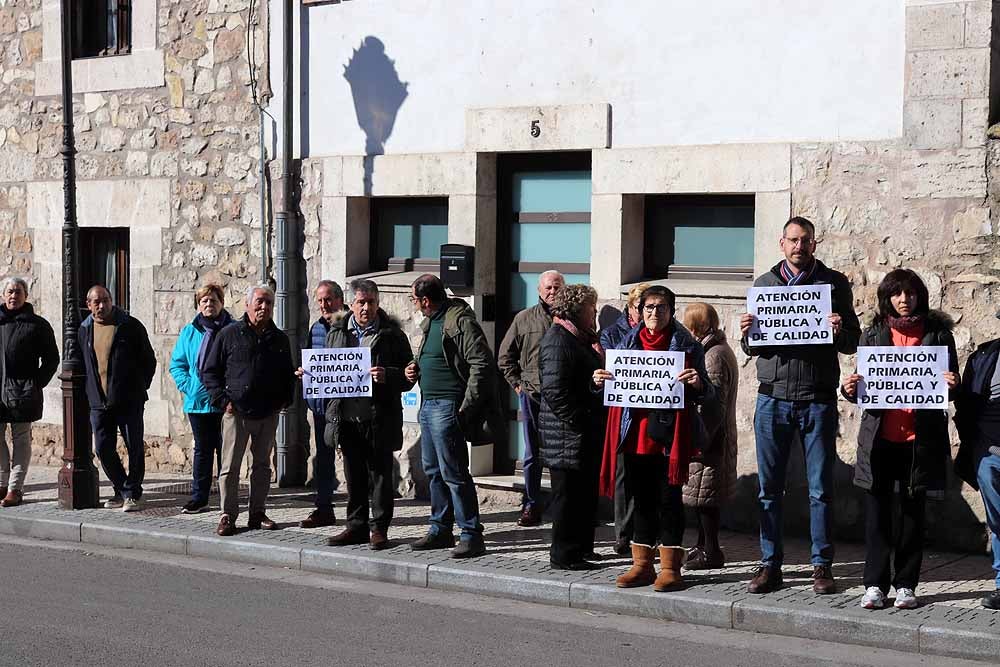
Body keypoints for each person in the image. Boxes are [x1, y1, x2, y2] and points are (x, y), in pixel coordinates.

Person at [739, 216, 860, 595]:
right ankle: (769, 564)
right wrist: (747, 334)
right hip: (772, 397)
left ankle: (822, 566)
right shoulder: (764, 285)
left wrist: (840, 328)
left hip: (817, 399)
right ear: (781, 243)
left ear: (814, 243)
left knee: (820, 489)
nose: (798, 246)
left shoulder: (833, 283)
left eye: (805, 240)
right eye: (792, 240)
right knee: (769, 489)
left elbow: (853, 341)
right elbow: (751, 348)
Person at [841, 269, 958, 610]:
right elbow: (862, 389)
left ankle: (906, 584)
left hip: (919, 440)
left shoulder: (937, 335)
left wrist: (953, 383)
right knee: (877, 514)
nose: (904, 300)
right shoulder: (873, 334)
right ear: (887, 299)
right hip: (880, 439)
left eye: (910, 293)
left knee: (912, 514)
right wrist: (849, 389)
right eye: (896, 294)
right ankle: (875, 584)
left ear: (920, 296)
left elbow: (951, 385)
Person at [596, 286, 713, 591]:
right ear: (640, 309)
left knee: (669, 500)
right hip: (634, 433)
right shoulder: (626, 343)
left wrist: (698, 383)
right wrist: (599, 381)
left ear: (671, 311)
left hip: (669, 437)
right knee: (642, 500)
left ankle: (671, 568)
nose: (653, 313)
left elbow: (708, 392)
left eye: (660, 307)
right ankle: (642, 565)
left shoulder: (687, 346)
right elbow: (612, 385)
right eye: (648, 307)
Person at [297, 279, 414, 550]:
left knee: (381, 476)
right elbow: (327, 368)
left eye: (370, 302)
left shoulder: (392, 335)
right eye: (361, 302)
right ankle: (356, 527)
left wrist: (389, 375)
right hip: (346, 418)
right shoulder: (337, 332)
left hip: (379, 416)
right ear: (351, 304)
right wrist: (309, 374)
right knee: (354, 476)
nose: (365, 308)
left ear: (378, 303)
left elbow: (410, 375)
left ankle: (379, 529)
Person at [404, 274, 503, 558]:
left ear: (425, 300)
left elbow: (481, 363)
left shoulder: (459, 320)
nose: (414, 303)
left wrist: (466, 406)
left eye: (414, 298)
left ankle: (471, 534)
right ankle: (440, 529)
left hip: (448, 406)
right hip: (428, 404)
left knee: (454, 473)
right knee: (434, 471)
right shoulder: (431, 322)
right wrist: (414, 367)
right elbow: (434, 356)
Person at [202, 284, 295, 537]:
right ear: (248, 304)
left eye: (269, 303)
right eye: (259, 302)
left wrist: (284, 400)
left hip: (268, 413)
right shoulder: (229, 334)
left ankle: (257, 513)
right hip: (237, 413)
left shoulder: (280, 339)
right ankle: (227, 515)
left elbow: (289, 374)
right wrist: (223, 401)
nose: (264, 307)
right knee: (229, 467)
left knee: (263, 466)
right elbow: (209, 371)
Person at [538, 284, 606, 570]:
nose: (595, 313)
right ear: (578, 310)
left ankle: (582, 548)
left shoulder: (578, 338)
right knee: (568, 498)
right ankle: (564, 555)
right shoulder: (558, 340)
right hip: (567, 435)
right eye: (592, 308)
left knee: (584, 495)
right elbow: (555, 392)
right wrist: (582, 419)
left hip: (580, 433)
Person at [79, 285, 157, 512]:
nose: (101, 305)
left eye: (105, 300)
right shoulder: (84, 329)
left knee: (134, 446)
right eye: (96, 302)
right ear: (88, 304)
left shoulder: (129, 326)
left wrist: (140, 388)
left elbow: (149, 360)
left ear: (112, 300)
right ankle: (122, 488)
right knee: (103, 447)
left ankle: (133, 493)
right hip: (98, 402)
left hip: (128, 400)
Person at [498, 270, 564, 527]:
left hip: (562, 399)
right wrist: (518, 385)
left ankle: (562, 507)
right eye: (548, 287)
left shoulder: (572, 318)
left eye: (557, 287)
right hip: (533, 396)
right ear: (539, 291)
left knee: (561, 455)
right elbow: (505, 357)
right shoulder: (524, 319)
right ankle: (532, 505)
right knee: (532, 454)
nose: (552, 292)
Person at [681, 302, 739, 570]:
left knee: (705, 498)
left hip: (710, 438)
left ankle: (711, 552)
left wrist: (699, 438)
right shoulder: (717, 348)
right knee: (703, 495)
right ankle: (702, 545)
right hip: (715, 436)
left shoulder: (712, 355)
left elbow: (713, 403)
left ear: (697, 327)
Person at [169, 284, 234, 514]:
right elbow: (177, 364)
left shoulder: (232, 329)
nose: (209, 304)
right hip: (199, 404)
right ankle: (199, 497)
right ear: (198, 305)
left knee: (226, 453)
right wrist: (189, 386)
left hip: (226, 403)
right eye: (204, 301)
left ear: (221, 303)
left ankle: (228, 499)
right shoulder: (190, 331)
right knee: (203, 451)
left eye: (213, 300)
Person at [953, 314, 1000, 609]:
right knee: (997, 522)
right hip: (988, 453)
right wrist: (952, 387)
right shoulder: (983, 356)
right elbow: (966, 401)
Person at [0, 277, 59, 507]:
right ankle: (2, 483)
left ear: (25, 296)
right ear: (3, 295)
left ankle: (15, 488)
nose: (13, 295)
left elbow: (52, 359)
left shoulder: (37, 325)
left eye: (18, 291)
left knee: (21, 440)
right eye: (10, 291)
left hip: (22, 393)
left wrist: (35, 384)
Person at [600, 282, 649, 555]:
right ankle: (622, 533)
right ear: (631, 307)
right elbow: (615, 361)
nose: (647, 313)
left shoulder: (662, 330)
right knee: (623, 474)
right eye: (642, 308)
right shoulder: (611, 333)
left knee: (647, 471)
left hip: (650, 410)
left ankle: (645, 531)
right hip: (623, 412)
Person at [299, 280, 346, 529]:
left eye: (328, 299)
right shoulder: (316, 328)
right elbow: (309, 359)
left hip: (347, 407)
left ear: (339, 299)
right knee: (324, 457)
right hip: (321, 407)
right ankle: (324, 508)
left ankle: (358, 512)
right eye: (319, 300)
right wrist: (303, 374)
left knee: (353, 459)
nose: (324, 305)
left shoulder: (350, 325)